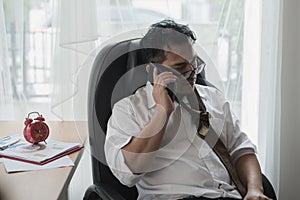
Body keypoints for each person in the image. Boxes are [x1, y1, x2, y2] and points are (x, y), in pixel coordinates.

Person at [104, 19, 270, 200]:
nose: (193, 73)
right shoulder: (129, 110)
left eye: (194, 63)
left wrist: (255, 190)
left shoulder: (214, 98)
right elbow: (127, 173)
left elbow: (242, 150)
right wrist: (162, 113)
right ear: (153, 70)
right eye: (180, 67)